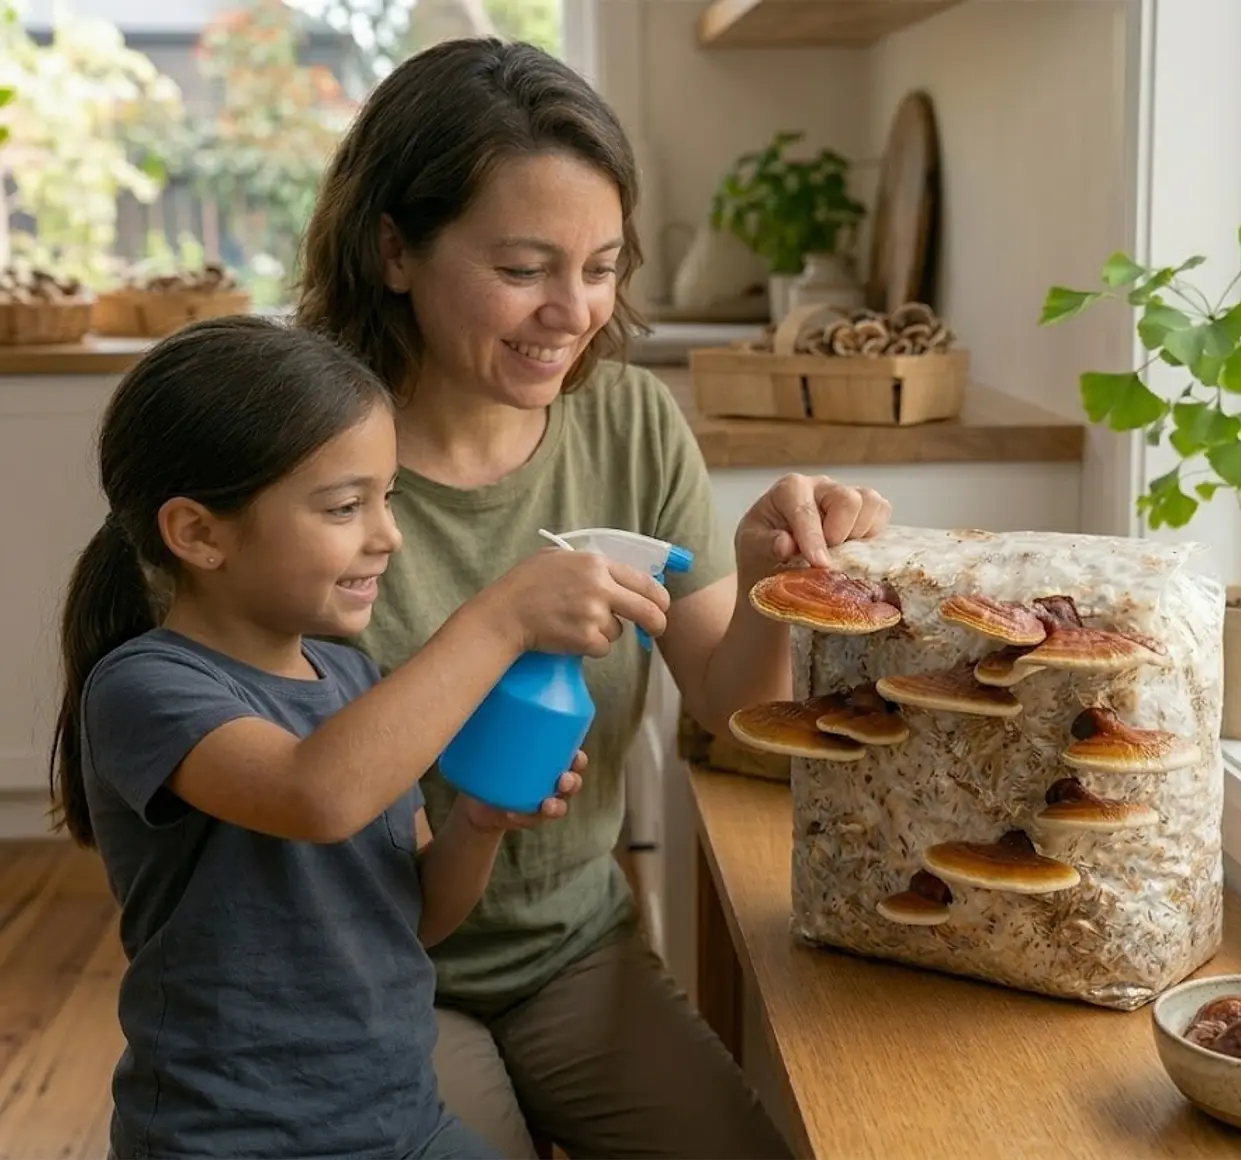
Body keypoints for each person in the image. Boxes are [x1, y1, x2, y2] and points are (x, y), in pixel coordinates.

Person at [294, 36, 894, 1160]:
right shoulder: (300, 455)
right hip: (370, 968)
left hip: (576, 950)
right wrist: (503, 620)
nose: (571, 311)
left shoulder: (628, 420)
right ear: (394, 250)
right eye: (522, 268)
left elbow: (723, 696)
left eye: (602, 265)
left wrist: (770, 581)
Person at [48, 315, 671, 1160]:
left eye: (388, 498)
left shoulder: (350, 680)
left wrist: (479, 822)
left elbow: (414, 918)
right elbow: (316, 794)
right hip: (226, 1140)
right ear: (198, 533)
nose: (387, 535)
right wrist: (502, 615)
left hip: (399, 1121)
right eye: (346, 506)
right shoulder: (147, 687)